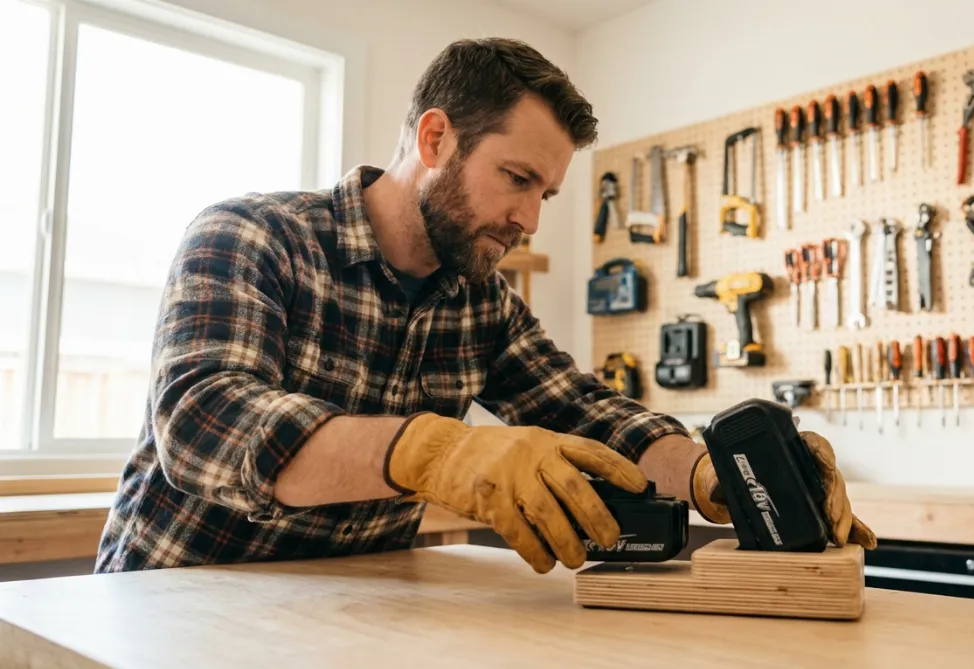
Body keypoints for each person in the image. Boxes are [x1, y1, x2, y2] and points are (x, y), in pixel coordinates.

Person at [95, 37, 875, 575]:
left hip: (344, 614)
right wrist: (436, 451)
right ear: (435, 138)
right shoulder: (250, 236)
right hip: (168, 600)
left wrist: (721, 475)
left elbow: (590, 416)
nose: (530, 220)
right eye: (516, 177)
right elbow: (203, 427)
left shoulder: (480, 302)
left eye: (546, 192)